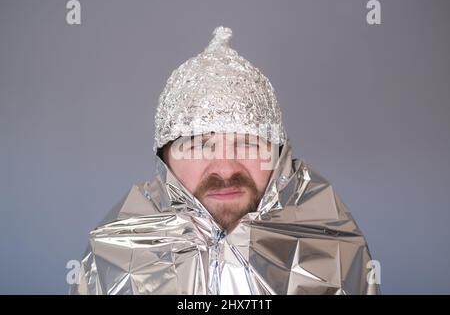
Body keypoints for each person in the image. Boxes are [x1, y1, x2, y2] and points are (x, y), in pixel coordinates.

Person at [70, 26, 379, 295]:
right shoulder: (111, 259)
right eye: (198, 146)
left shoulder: (334, 251)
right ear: (165, 160)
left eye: (248, 143)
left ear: (280, 155)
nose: (226, 168)